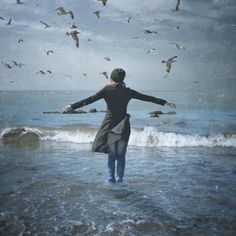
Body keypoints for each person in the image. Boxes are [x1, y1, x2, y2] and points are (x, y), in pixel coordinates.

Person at [63, 68, 176, 183]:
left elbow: (90, 99)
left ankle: (111, 179)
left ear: (111, 79)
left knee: (112, 154)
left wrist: (73, 106)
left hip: (109, 125)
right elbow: (146, 97)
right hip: (123, 125)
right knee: (121, 154)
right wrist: (164, 102)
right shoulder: (128, 91)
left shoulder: (107, 90)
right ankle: (120, 180)